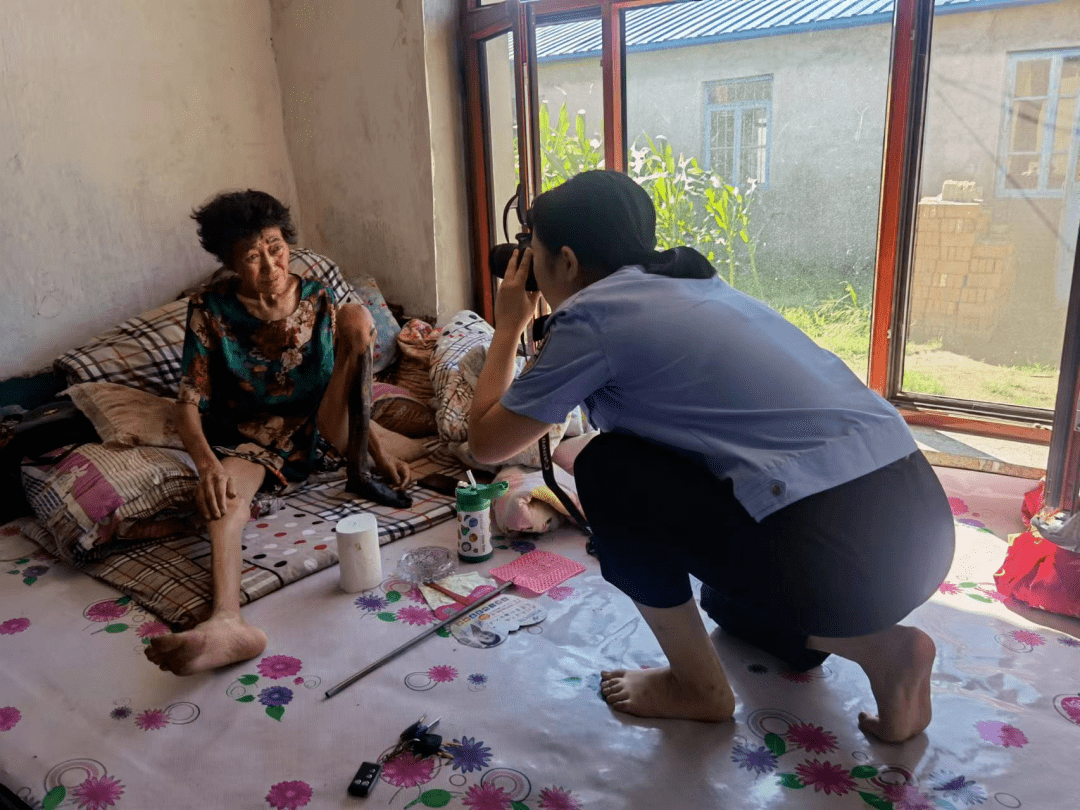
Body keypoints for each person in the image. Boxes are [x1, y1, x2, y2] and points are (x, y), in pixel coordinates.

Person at [467, 170, 956, 743]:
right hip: (921, 530)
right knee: (725, 605)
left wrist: (508, 328)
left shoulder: (596, 314)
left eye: (535, 253)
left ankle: (697, 686)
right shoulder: (699, 286)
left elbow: (485, 443)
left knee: (610, 469)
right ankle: (887, 651)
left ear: (568, 263)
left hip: (843, 557)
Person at [146, 189, 412, 675]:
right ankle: (226, 621)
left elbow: (348, 380)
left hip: (320, 427)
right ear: (229, 263)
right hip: (250, 438)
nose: (269, 265)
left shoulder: (317, 299)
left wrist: (371, 450)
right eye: (251, 255)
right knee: (227, 498)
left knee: (357, 320)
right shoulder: (209, 310)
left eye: (275, 246)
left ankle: (358, 465)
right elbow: (186, 403)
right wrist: (207, 466)